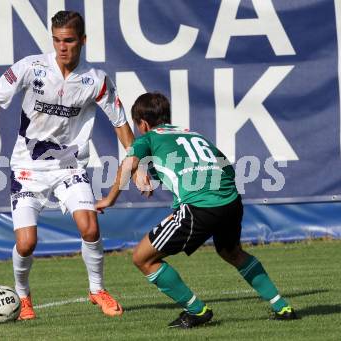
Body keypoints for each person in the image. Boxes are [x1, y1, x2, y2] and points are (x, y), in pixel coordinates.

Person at [0, 11, 132, 319]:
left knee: (90, 227)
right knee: (26, 244)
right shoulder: (31, 67)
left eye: (68, 40)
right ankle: (23, 297)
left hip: (69, 165)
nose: (62, 47)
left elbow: (121, 124)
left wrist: (140, 163)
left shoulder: (96, 80)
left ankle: (97, 290)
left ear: (82, 41)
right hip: (28, 167)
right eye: (56, 40)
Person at [96, 92, 297, 328]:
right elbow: (225, 168)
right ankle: (282, 306)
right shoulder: (193, 134)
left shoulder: (147, 138)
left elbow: (128, 163)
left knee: (143, 258)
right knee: (232, 252)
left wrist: (109, 199)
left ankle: (197, 310)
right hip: (230, 201)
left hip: (199, 207)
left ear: (143, 124)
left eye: (139, 126)